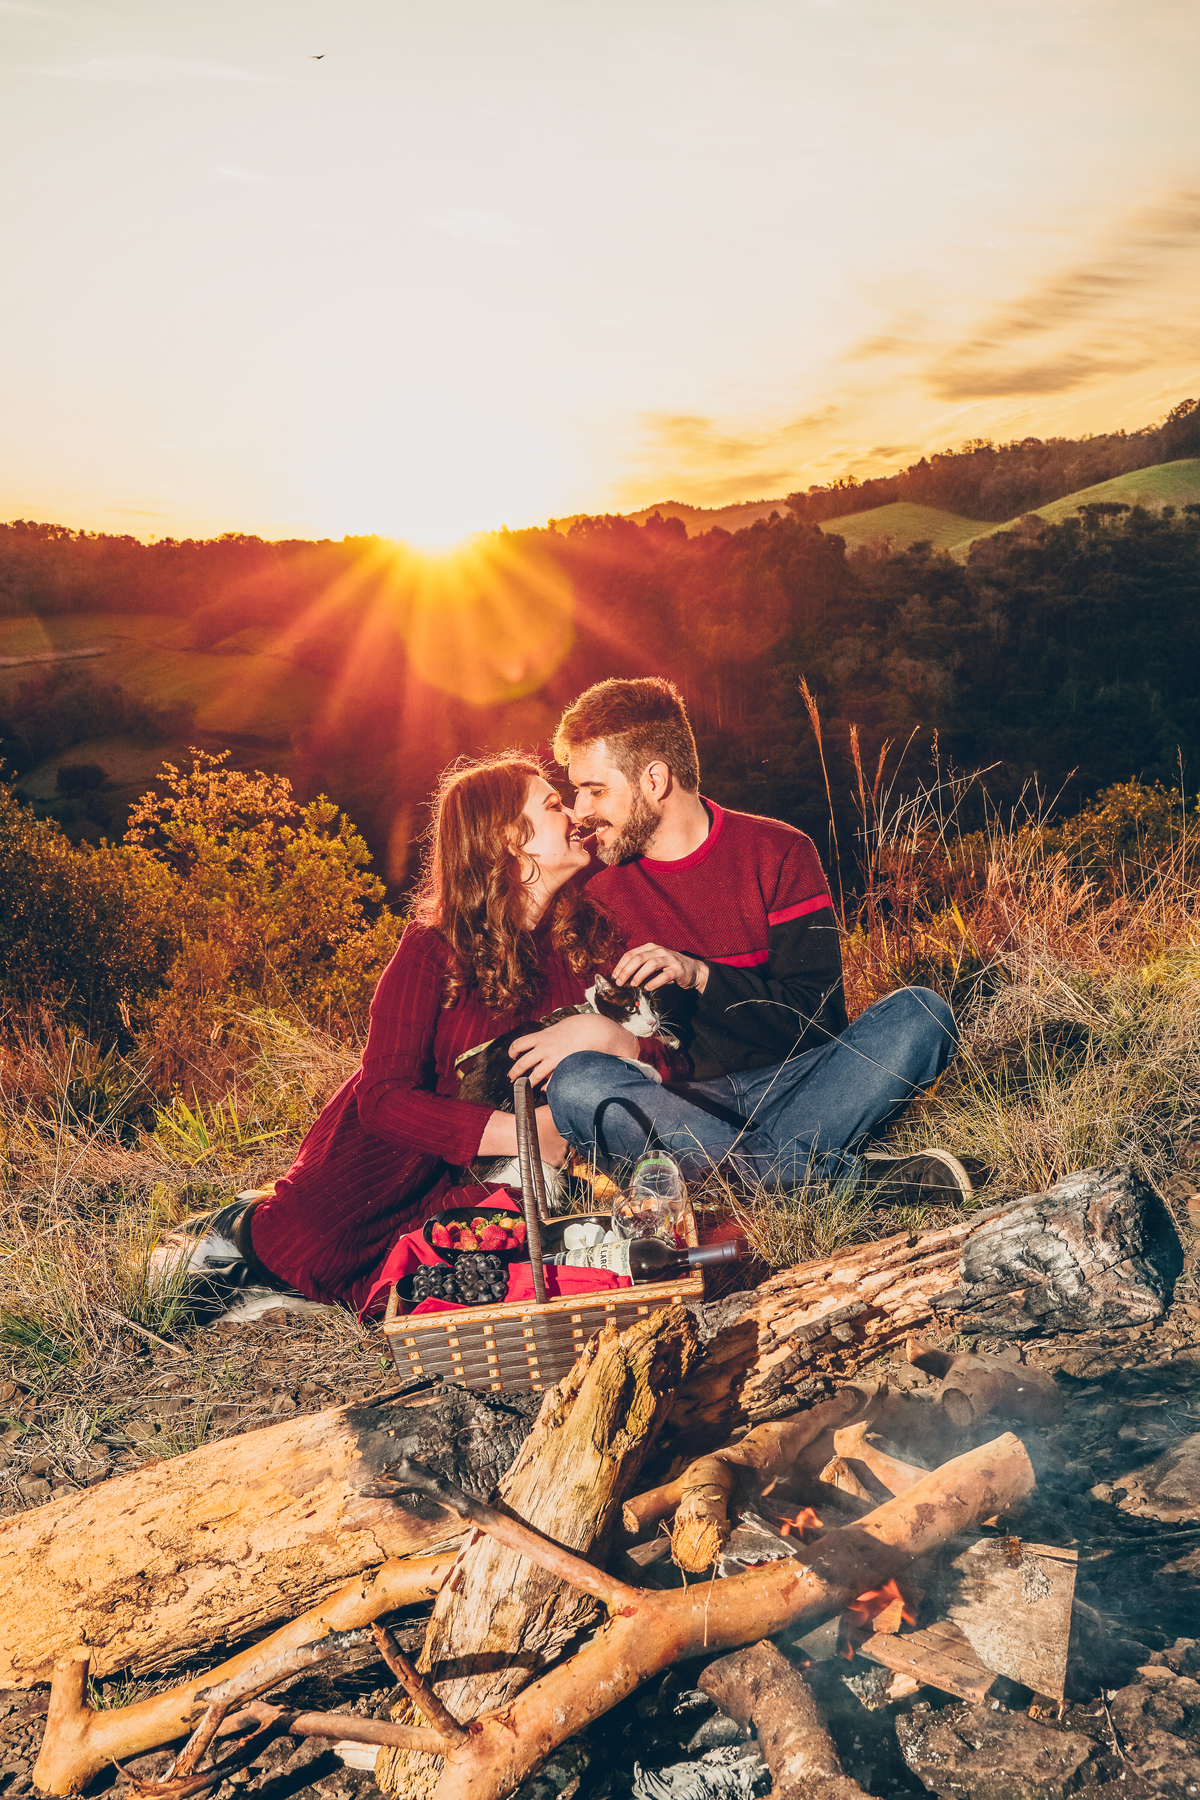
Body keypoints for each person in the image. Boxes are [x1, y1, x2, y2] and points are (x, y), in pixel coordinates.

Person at [181, 755, 680, 1314]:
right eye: (554, 805)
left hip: (488, 1186)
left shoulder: (586, 937)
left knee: (478, 1271)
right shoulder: (431, 950)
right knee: (298, 1253)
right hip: (372, 1182)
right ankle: (235, 1224)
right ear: (511, 839)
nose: (575, 814)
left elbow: (659, 1055)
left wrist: (620, 1043)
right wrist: (525, 1134)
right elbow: (381, 1098)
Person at [530, 676, 970, 1203]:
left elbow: (819, 1023)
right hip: (674, 1106)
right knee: (577, 1084)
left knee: (921, 1014)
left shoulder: (778, 852)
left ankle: (736, 1183)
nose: (580, 809)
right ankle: (841, 1183)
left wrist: (700, 976)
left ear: (654, 780)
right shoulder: (593, 887)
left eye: (595, 790)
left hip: (799, 1086)